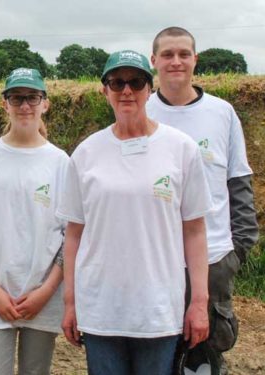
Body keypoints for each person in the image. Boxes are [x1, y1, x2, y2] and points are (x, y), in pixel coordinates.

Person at [57, 50, 213, 375]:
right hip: (101, 309)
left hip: (157, 310)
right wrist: (71, 302)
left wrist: (199, 302)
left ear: (149, 89)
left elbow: (195, 231)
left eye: (136, 82)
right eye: (117, 82)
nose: (126, 91)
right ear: (105, 91)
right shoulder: (85, 154)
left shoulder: (181, 149)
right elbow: (73, 234)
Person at [147, 26, 259, 374]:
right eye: (167, 55)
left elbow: (238, 183)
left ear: (195, 59)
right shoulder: (140, 109)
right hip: (156, 259)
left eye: (183, 54)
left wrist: (236, 250)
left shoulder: (222, 113)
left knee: (206, 358)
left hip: (212, 258)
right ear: (154, 61)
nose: (176, 61)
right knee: (158, 352)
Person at [0, 68, 68, 375]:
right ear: (4, 103)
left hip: (42, 297)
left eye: (32, 97)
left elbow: (69, 233)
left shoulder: (60, 162)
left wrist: (45, 291)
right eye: (16, 98)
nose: (24, 106)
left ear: (44, 103)